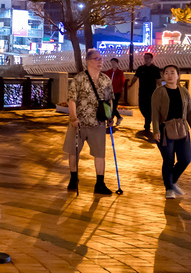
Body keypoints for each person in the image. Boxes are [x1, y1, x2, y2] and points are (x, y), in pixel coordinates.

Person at [63, 48, 116, 194]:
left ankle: (100, 183)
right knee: (73, 151)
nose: (100, 61)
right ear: (88, 61)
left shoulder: (106, 80)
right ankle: (73, 178)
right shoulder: (79, 79)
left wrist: (109, 116)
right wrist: (73, 117)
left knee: (100, 154)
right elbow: (72, 99)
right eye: (96, 59)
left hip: (98, 123)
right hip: (79, 123)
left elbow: (108, 101)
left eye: (101, 58)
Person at [150, 64, 191, 199]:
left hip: (182, 129)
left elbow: (190, 112)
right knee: (169, 160)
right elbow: (155, 113)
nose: (169, 75)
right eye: (166, 73)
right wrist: (156, 130)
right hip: (165, 130)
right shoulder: (159, 92)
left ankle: (171, 181)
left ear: (178, 76)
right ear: (163, 76)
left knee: (185, 159)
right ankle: (169, 188)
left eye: (172, 72)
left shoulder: (184, 91)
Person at [128, 52, 161, 136]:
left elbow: (158, 80)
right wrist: (131, 85)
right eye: (145, 57)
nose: (146, 59)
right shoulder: (140, 68)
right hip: (142, 91)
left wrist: (161, 89)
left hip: (152, 92)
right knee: (142, 107)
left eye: (147, 57)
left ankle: (147, 125)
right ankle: (149, 119)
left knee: (149, 108)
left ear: (151, 59)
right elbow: (135, 77)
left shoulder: (155, 69)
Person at [103, 57, 125, 128]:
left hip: (116, 91)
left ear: (117, 63)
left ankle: (111, 120)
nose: (113, 64)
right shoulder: (108, 72)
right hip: (109, 91)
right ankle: (117, 118)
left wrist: (122, 92)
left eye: (114, 62)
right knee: (109, 106)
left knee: (113, 106)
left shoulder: (120, 73)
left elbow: (122, 82)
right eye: (112, 63)